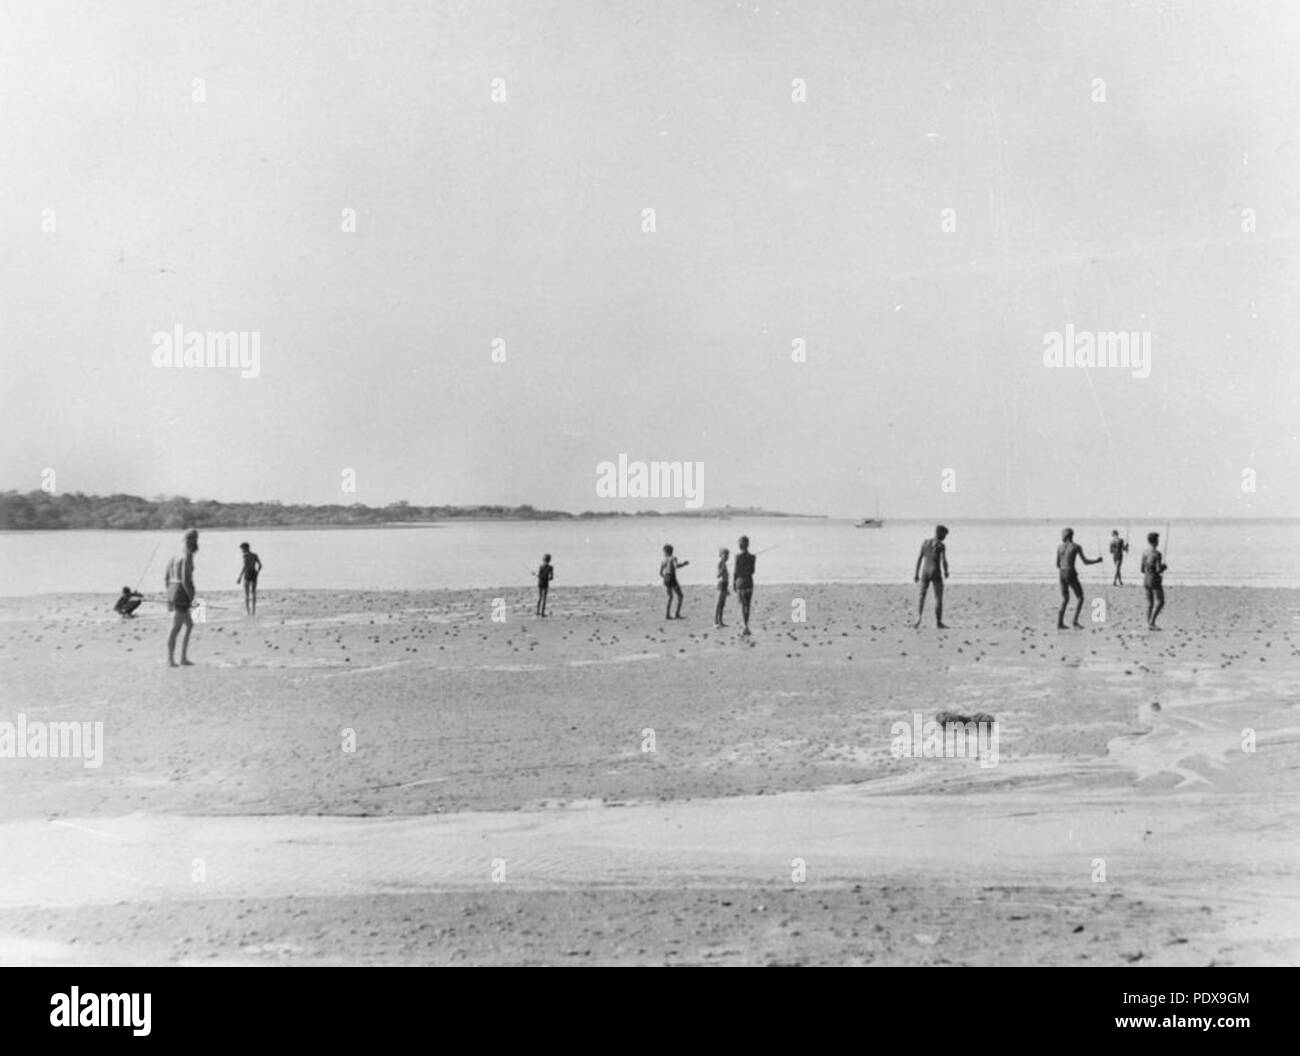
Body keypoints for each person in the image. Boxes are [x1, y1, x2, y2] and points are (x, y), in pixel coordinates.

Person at [1056, 527, 1102, 630]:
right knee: (1080, 598)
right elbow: (1085, 562)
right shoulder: (1076, 547)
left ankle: (1059, 623)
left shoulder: (1059, 547)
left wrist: (1064, 568)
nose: (1061, 537)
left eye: (1062, 535)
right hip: (1070, 572)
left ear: (1066, 536)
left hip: (1061, 573)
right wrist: (1097, 561)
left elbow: (1057, 564)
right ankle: (1075, 622)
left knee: (1065, 599)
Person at [165, 529, 199, 666]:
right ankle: (171, 659)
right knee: (175, 627)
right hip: (182, 592)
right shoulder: (187, 556)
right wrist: (192, 599)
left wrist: (169, 597)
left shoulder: (174, 556)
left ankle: (182, 657)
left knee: (189, 625)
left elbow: (166, 578)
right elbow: (186, 579)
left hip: (173, 589)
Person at [912, 525, 950, 629]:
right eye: (945, 535)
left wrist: (916, 573)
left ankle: (918, 619)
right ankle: (938, 622)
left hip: (925, 572)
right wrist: (946, 571)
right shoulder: (941, 545)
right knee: (938, 598)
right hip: (935, 571)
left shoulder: (925, 543)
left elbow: (919, 558)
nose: (945, 537)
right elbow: (944, 560)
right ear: (940, 533)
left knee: (922, 596)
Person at [1140, 532, 1168, 630]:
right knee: (1160, 602)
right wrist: (1164, 567)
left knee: (1150, 603)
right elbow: (1158, 569)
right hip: (1154, 580)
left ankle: (1149, 623)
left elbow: (1142, 569)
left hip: (1146, 579)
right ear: (1156, 541)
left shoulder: (1144, 552)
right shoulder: (1157, 554)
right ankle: (1152, 622)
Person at [733, 536, 756, 636]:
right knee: (748, 605)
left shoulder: (737, 557)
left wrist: (733, 583)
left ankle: (744, 625)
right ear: (748, 545)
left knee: (743, 605)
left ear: (740, 545)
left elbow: (736, 572)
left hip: (740, 583)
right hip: (749, 582)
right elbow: (752, 571)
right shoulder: (753, 557)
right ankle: (746, 625)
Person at [660, 545, 688, 620]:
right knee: (680, 596)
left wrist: (665, 577)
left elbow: (660, 572)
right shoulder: (673, 558)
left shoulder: (664, 560)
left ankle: (667, 615)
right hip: (672, 578)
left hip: (666, 578)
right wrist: (684, 564)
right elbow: (676, 566)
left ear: (666, 552)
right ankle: (677, 613)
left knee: (670, 597)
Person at [236, 542, 262, 615]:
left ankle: (248, 611)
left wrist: (240, 577)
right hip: (254, 574)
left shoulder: (246, 556)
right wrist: (257, 572)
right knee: (253, 593)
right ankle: (253, 610)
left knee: (247, 594)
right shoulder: (255, 555)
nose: (242, 551)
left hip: (248, 574)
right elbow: (260, 565)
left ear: (246, 548)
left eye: (242, 549)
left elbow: (245, 567)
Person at [714, 547, 730, 628]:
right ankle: (715, 622)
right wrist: (722, 570)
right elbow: (718, 575)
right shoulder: (720, 563)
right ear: (721, 555)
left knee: (722, 604)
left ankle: (721, 621)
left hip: (725, 585)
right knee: (718, 604)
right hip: (721, 584)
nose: (727, 557)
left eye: (728, 555)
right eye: (725, 555)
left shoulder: (724, 563)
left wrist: (727, 589)